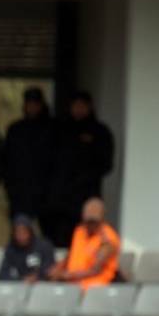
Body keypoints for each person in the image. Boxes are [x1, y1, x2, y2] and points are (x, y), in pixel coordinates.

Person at [45, 91, 115, 247]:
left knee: (88, 236)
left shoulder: (99, 132)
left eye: (82, 106)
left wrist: (84, 177)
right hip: (60, 198)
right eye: (75, 106)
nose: (78, 109)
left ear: (89, 107)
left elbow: (106, 164)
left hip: (87, 195)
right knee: (61, 238)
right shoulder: (59, 130)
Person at [1, 86, 54, 220]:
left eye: (35, 104)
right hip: (20, 194)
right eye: (29, 104)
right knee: (21, 234)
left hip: (48, 195)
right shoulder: (16, 129)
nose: (32, 108)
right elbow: (6, 161)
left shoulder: (53, 129)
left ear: (41, 105)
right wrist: (10, 188)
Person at [48, 197, 120, 290]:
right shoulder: (79, 231)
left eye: (94, 221)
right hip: (72, 285)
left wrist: (65, 275)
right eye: (88, 221)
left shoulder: (108, 238)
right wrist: (59, 267)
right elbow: (72, 254)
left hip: (95, 288)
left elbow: (95, 270)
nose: (90, 225)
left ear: (102, 218)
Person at [0, 215, 56, 282]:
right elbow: (3, 274)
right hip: (20, 285)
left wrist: (38, 277)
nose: (21, 236)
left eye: (24, 232)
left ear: (30, 232)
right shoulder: (11, 249)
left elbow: (51, 269)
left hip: (43, 284)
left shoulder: (44, 246)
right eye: (18, 233)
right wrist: (21, 279)